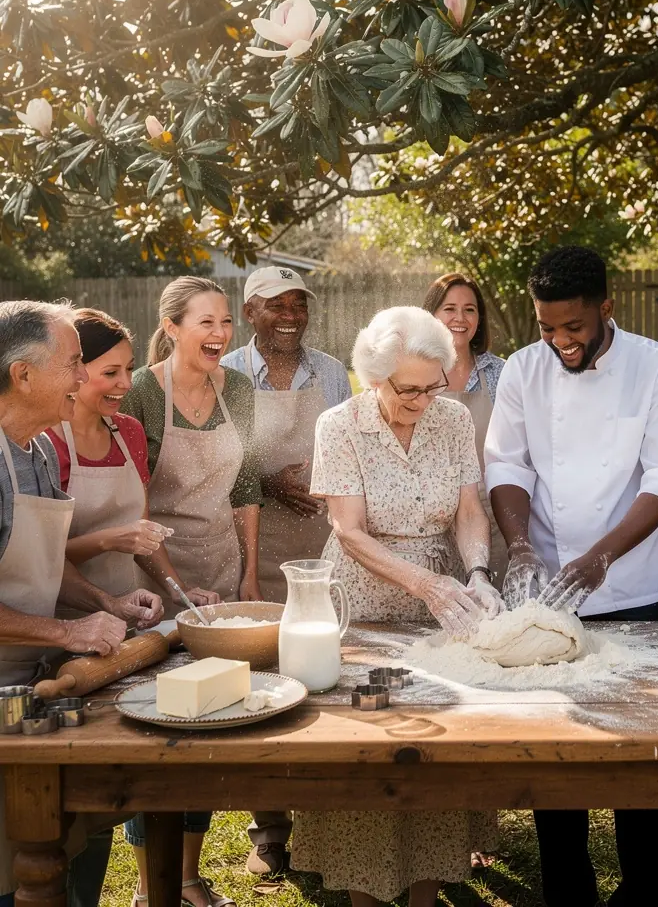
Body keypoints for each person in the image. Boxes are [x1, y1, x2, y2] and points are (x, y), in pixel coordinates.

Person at [485, 245, 658, 907]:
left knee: (639, 743)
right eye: (547, 328)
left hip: (631, 583)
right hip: (548, 587)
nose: (560, 341)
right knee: (556, 747)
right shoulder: (523, 368)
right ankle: (568, 891)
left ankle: (644, 887)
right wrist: (520, 545)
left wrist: (602, 556)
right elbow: (507, 465)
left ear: (607, 308)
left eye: (572, 327)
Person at [290, 306, 501, 907]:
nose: (423, 400)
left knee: (434, 737)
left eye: (433, 385)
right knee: (369, 737)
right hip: (360, 600)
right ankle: (364, 891)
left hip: (437, 593)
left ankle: (427, 889)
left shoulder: (452, 418)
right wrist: (426, 586)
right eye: (409, 389)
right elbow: (349, 531)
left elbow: (467, 510)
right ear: (372, 379)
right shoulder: (340, 425)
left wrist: (476, 571)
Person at [0, 300, 161, 907]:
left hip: (36, 684)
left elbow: (46, 563)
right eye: (73, 364)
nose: (82, 379)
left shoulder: (36, 452)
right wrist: (67, 635)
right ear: (23, 375)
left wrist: (104, 603)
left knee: (58, 844)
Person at [120, 277, 263, 907]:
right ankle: (156, 883)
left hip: (223, 575)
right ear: (172, 326)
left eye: (226, 323)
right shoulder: (144, 391)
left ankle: (189, 874)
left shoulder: (240, 389)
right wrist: (176, 585)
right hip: (155, 575)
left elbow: (246, 486)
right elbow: (135, 504)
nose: (220, 335)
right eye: (205, 322)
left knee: (213, 713)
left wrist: (250, 573)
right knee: (155, 724)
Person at [221, 266, 350, 876]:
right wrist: (268, 485)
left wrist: (324, 486)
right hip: (251, 544)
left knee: (322, 679)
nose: (292, 314)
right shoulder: (229, 374)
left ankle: (328, 825)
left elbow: (352, 448)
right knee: (261, 687)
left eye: (299, 303)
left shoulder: (329, 372)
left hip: (320, 548)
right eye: (277, 305)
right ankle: (270, 829)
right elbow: (221, 463)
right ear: (250, 312)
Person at [45, 309, 221, 613]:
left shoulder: (129, 432)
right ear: (75, 371)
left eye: (129, 369)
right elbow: (40, 559)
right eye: (111, 373)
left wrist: (177, 589)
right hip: (61, 618)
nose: (126, 384)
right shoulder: (45, 442)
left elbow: (143, 533)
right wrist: (109, 540)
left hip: (128, 609)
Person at [423, 272, 507, 585]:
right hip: (427, 519)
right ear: (431, 315)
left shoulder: (500, 373)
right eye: (449, 308)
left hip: (488, 515)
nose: (460, 318)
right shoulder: (414, 371)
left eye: (469, 309)